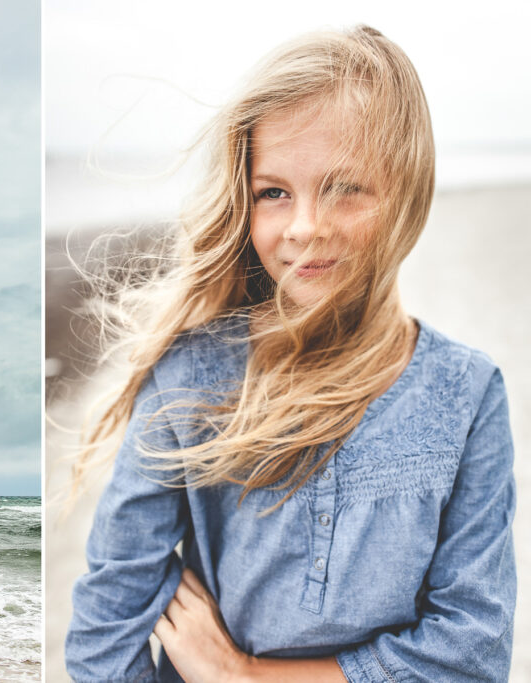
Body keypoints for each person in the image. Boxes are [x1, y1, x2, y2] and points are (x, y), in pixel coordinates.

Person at [64, 26, 516, 682]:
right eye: (274, 192)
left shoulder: (466, 394)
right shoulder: (189, 375)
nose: (306, 225)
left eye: (344, 187)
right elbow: (109, 623)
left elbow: (472, 652)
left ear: (406, 190)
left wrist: (242, 676)